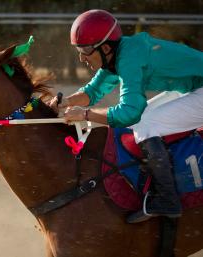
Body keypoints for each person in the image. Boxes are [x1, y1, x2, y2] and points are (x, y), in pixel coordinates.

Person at [49, 9, 203, 223]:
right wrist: (67, 101)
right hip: (193, 88)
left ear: (104, 47)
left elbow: (129, 113)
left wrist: (85, 114)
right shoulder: (118, 53)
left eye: (85, 50)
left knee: (144, 123)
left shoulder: (129, 58)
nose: (81, 58)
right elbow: (92, 92)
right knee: (143, 121)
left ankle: (168, 199)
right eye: (78, 50)